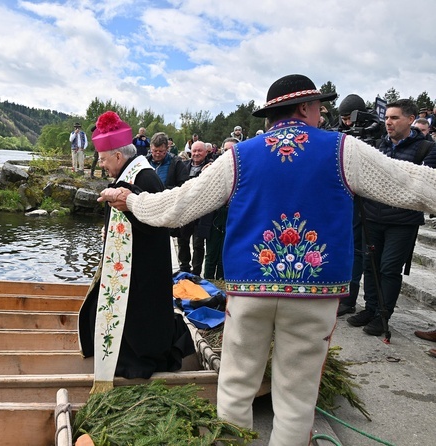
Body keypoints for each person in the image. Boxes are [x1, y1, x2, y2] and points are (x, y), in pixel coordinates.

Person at [98, 74, 436, 445]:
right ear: (306, 108)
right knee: (296, 395)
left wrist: (130, 200)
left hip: (250, 288)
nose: (321, 114)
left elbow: (178, 206)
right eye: (319, 108)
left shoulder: (239, 157)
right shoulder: (345, 150)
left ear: (272, 116)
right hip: (315, 291)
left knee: (237, 382)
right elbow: (412, 184)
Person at [78, 111, 194, 391]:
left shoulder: (146, 178)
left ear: (119, 156)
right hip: (128, 263)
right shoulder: (131, 172)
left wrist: (126, 207)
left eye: (104, 159)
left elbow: (156, 225)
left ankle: (134, 366)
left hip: (142, 266)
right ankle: (118, 358)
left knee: (139, 320)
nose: (102, 165)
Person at [348, 99, 436, 335]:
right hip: (373, 216)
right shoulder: (378, 146)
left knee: (389, 269)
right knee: (371, 265)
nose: (388, 122)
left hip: (402, 222)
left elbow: (421, 185)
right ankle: (370, 308)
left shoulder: (426, 148)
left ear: (410, 119)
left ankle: (383, 315)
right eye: (386, 117)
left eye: (395, 118)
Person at [333, 94, 368, 316]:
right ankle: (345, 298)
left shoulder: (374, 132)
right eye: (343, 119)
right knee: (351, 250)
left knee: (363, 252)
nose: (347, 124)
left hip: (370, 205)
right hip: (347, 201)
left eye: (350, 118)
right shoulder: (338, 134)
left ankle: (363, 302)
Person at [200, 137, 235, 281]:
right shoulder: (213, 167)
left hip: (233, 216)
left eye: (231, 150)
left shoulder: (244, 168)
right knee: (211, 252)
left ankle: (222, 280)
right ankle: (208, 281)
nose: (228, 153)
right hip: (214, 216)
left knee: (226, 253)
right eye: (225, 150)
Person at [175, 141, 209, 276]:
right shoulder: (184, 166)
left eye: (199, 151)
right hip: (185, 210)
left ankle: (196, 272)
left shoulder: (210, 166)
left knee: (198, 244)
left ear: (205, 152)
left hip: (201, 211)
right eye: (194, 151)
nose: (196, 154)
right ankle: (184, 268)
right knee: (182, 241)